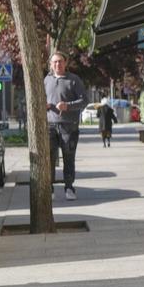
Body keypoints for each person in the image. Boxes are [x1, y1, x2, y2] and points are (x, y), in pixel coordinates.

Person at [45, 51, 87, 200]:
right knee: (49, 158)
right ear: (50, 64)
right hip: (49, 125)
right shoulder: (46, 80)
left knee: (68, 157)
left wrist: (67, 106)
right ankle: (49, 188)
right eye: (55, 62)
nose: (58, 64)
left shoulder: (74, 80)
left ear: (65, 63)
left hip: (69, 126)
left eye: (60, 61)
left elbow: (84, 101)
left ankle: (69, 187)